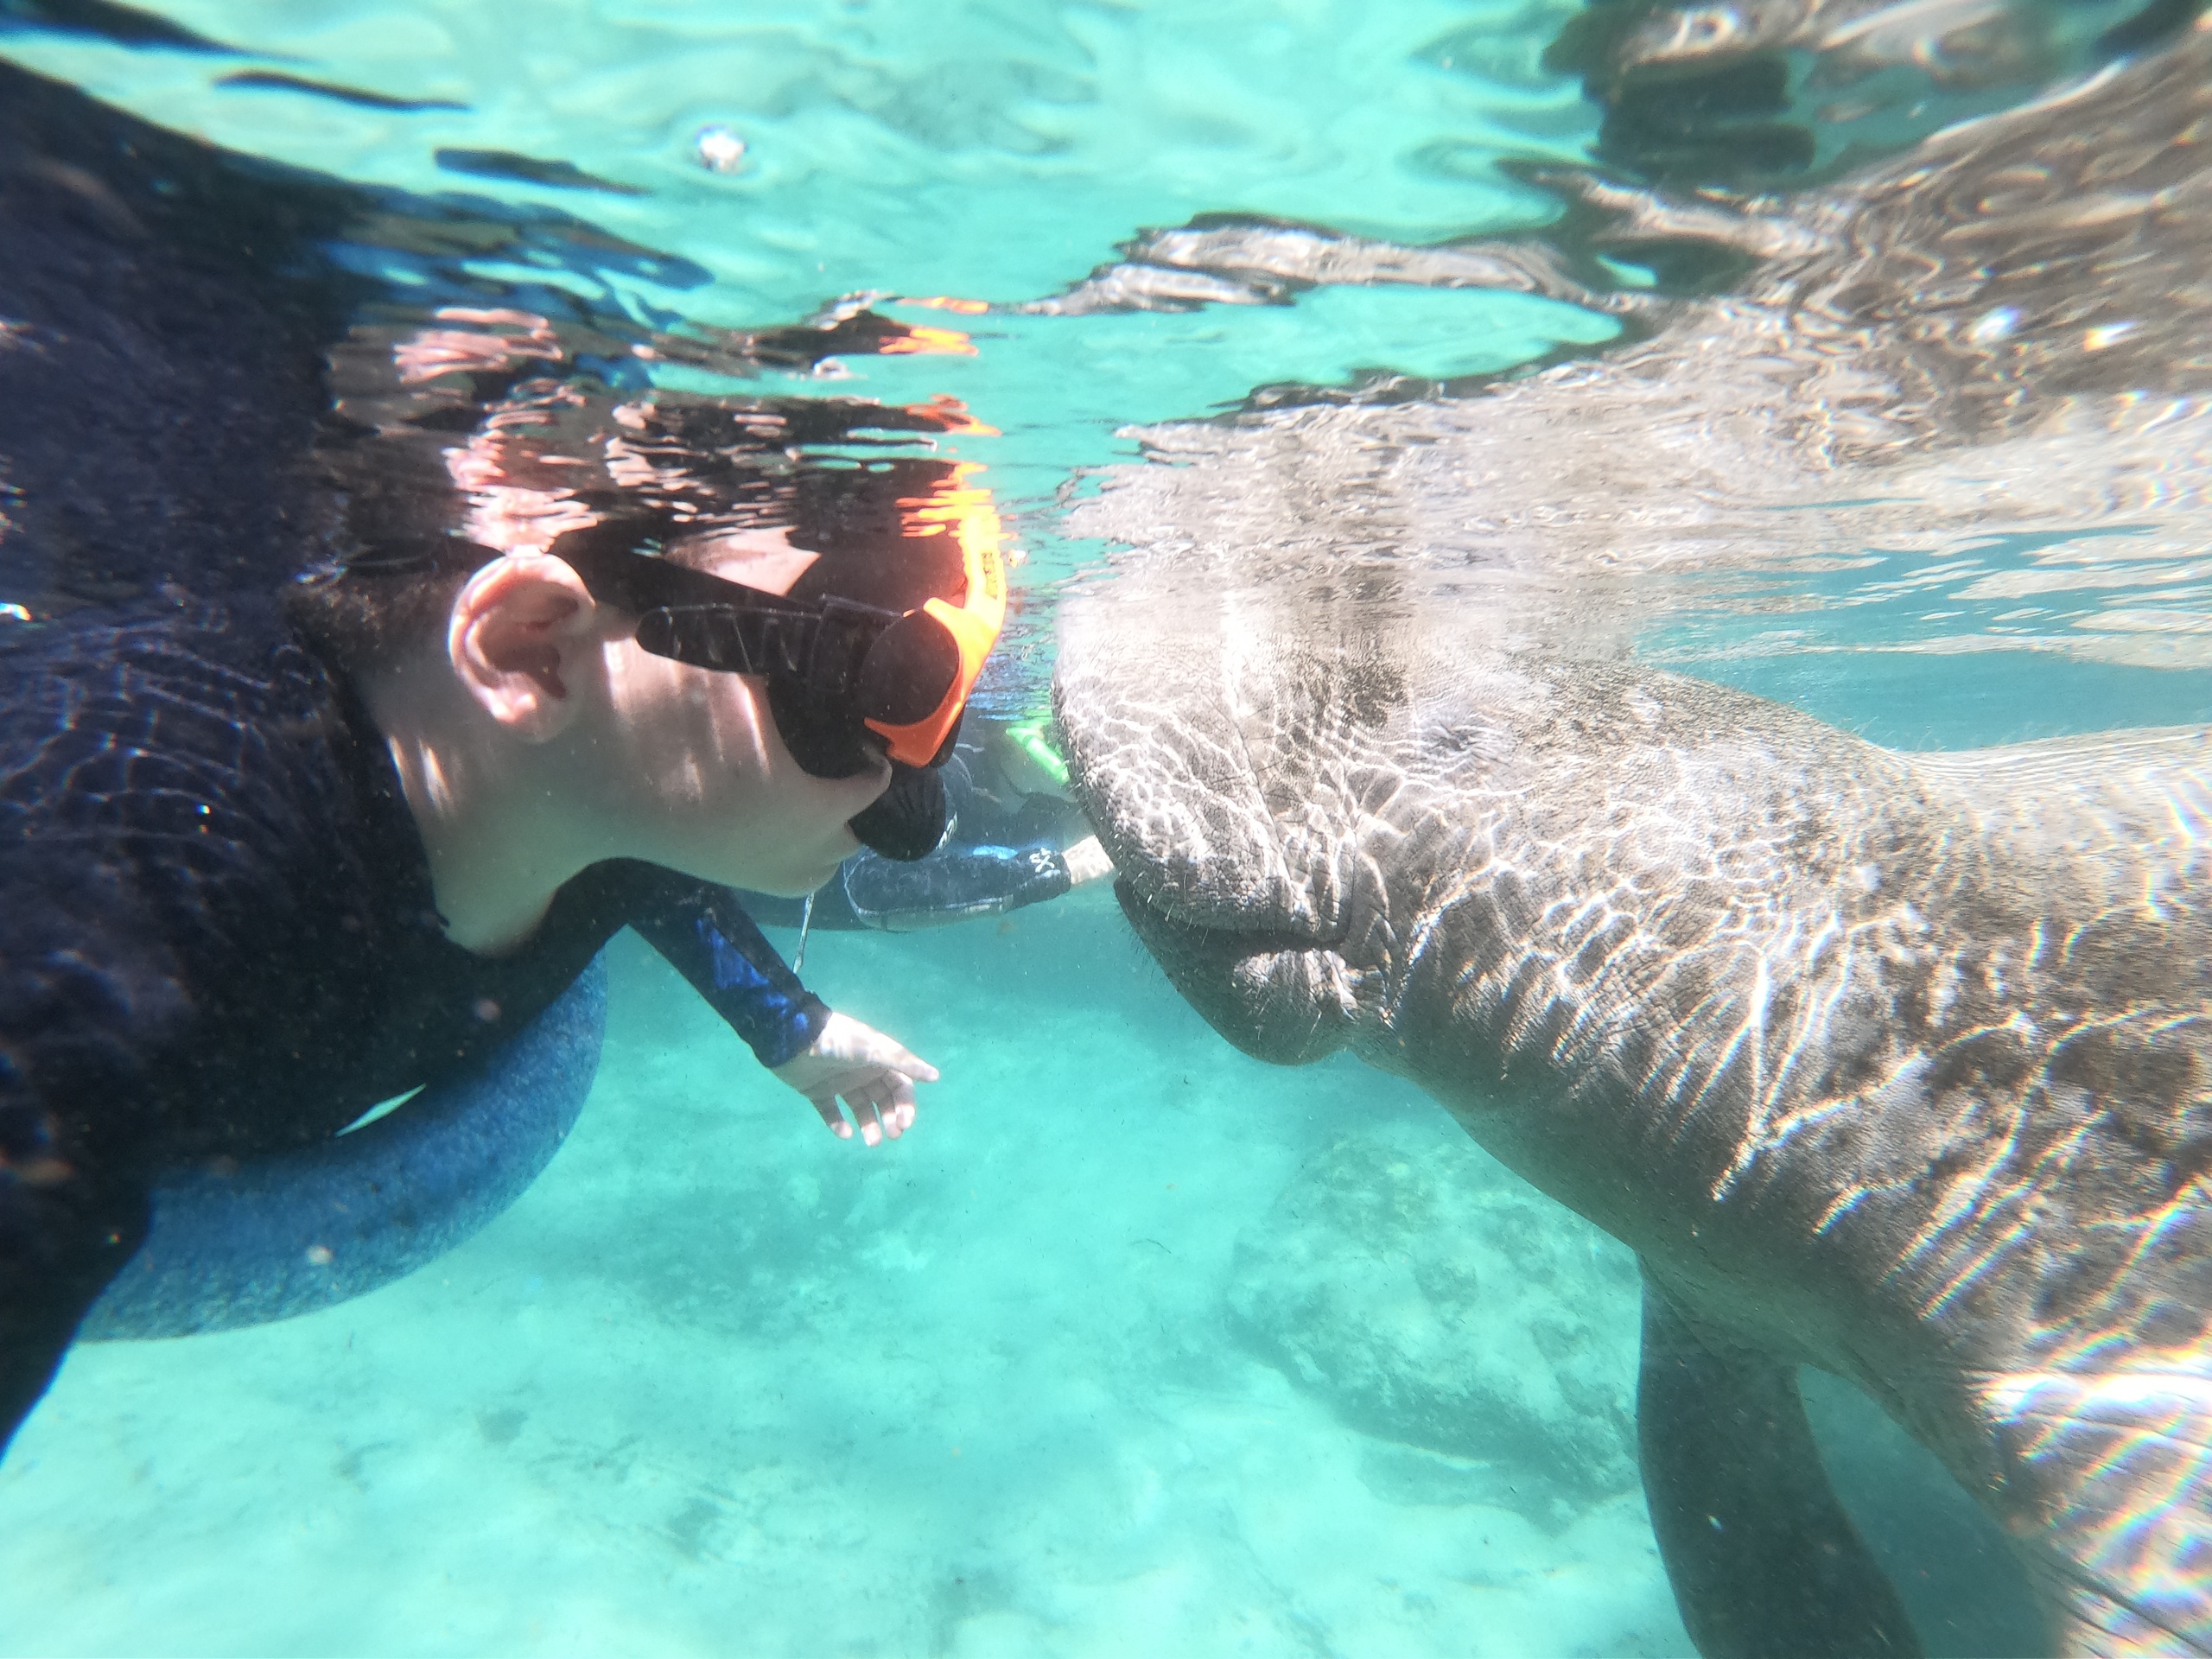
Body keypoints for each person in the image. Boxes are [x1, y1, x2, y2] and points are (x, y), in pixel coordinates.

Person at [0, 61, 998, 1458]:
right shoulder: (100, 884)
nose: (914, 808)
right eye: (873, 694)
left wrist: (791, 1029)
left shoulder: (583, 792)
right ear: (529, 647)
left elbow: (636, 870)